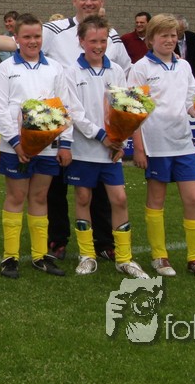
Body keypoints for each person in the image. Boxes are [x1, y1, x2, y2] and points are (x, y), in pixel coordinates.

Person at [60, 15, 148, 279]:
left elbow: (124, 107)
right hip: (84, 148)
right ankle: (87, 255)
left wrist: (120, 139)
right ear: (81, 41)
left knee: (119, 199)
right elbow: (74, 113)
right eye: (93, 41)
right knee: (83, 198)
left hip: (111, 149)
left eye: (103, 41)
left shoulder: (116, 71)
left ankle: (124, 258)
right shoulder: (71, 72)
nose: (98, 46)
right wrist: (101, 136)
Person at [128, 13, 195, 280]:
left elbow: (190, 101)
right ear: (151, 39)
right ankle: (159, 256)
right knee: (156, 200)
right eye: (163, 35)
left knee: (193, 199)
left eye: (173, 35)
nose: (169, 40)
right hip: (156, 146)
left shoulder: (184, 66)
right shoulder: (140, 68)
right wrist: (139, 147)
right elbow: (134, 110)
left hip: (183, 143)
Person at [0, 13, 70, 279]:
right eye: (27, 37)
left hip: (47, 146)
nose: (33, 41)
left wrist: (64, 143)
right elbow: (0, 107)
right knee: (16, 197)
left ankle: (39, 255)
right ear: (16, 38)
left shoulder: (55, 68)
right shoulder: (6, 68)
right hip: (15, 147)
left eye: (37, 36)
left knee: (39, 197)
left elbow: (64, 106)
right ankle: (10, 257)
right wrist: (16, 142)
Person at [175, 15, 195, 81]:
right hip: (176, 72)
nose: (177, 32)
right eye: (176, 30)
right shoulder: (171, 39)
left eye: (180, 30)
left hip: (190, 71)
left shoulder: (192, 37)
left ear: (185, 28)